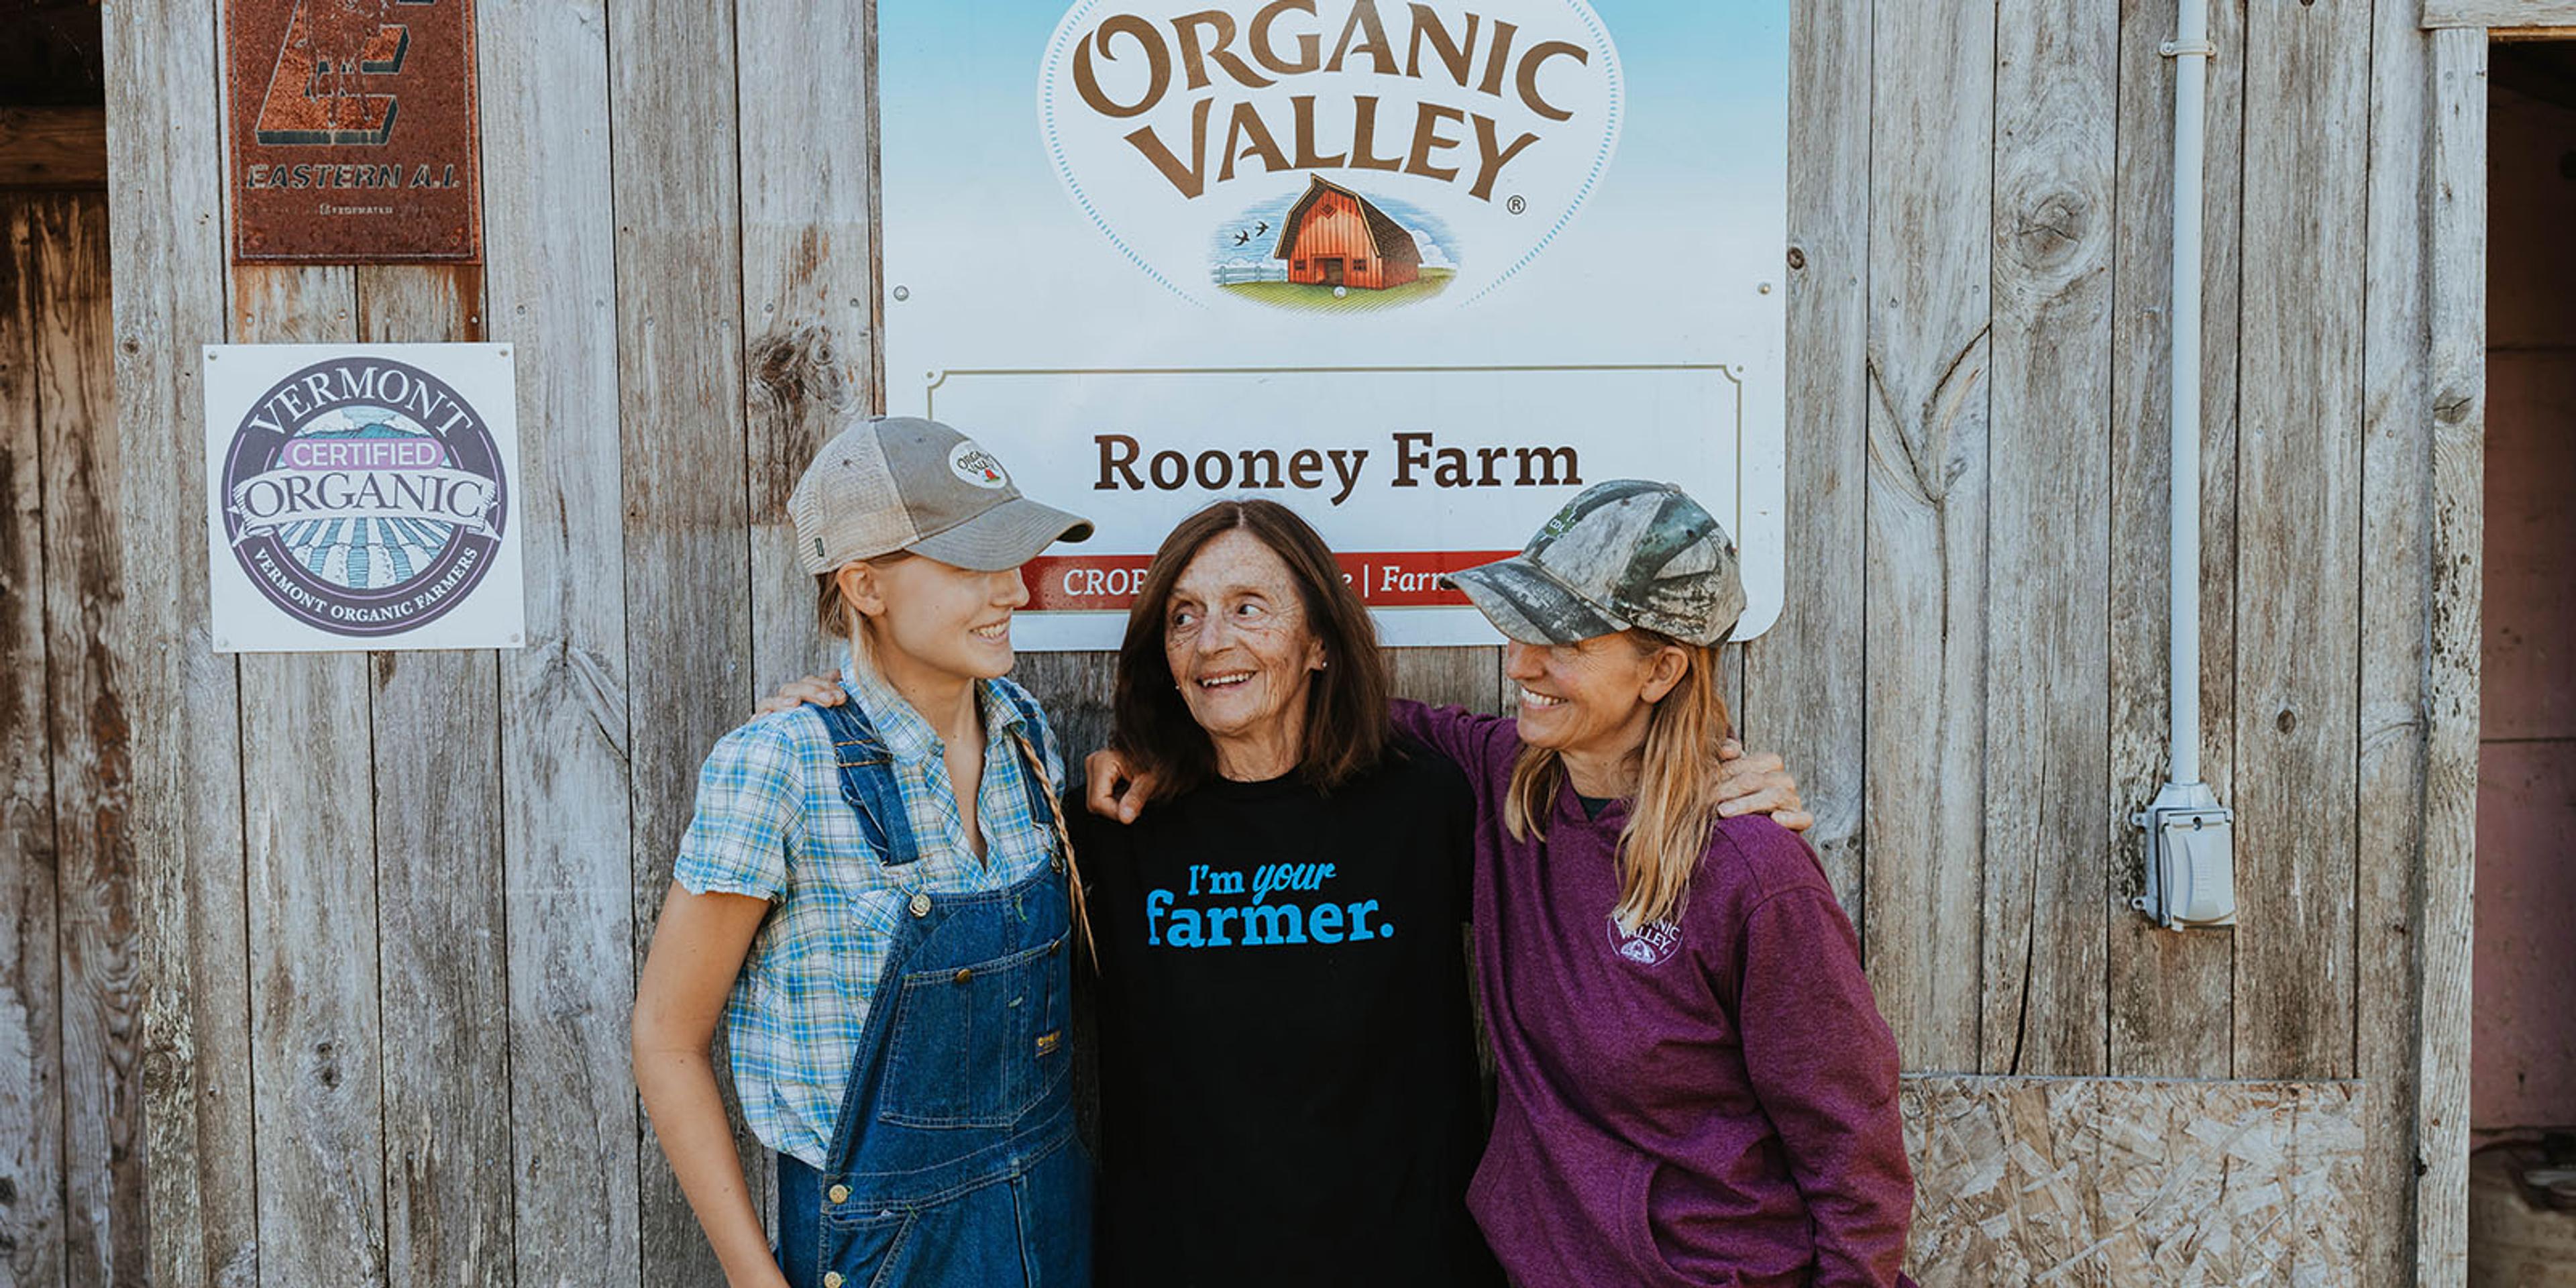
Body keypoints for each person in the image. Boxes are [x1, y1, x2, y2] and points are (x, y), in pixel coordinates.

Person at [760, 496, 1808, 1285]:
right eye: (1183, 616)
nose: (1213, 641)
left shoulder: (1437, 796)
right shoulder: (1106, 825)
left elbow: (1598, 771)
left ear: (1316, 641)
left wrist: (1725, 778)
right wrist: (842, 703)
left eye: (1251, 608)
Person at [1100, 481, 1917, 1287]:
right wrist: (1153, 745)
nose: (1522, 663)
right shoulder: (1504, 786)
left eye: (1563, 640)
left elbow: (1853, 1143)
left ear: (1662, 668)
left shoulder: (1749, 869)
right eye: (1522, 627)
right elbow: (1314, 708)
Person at [632, 416, 1097, 1288]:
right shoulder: (781, 764)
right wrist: (753, 1277)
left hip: (1048, 1213)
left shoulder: (1028, 737)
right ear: (865, 587)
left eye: (1014, 559)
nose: (1013, 592)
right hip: (883, 1250)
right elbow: (666, 1037)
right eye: (970, 566)